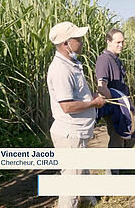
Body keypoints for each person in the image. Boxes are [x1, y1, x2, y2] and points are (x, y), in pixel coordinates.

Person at [47, 21, 105, 208]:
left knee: (81, 170)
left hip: (78, 132)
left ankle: (89, 201)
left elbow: (76, 95)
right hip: (70, 133)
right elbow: (67, 106)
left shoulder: (72, 63)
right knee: (71, 183)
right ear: (65, 43)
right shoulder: (60, 69)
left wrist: (91, 97)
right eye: (78, 39)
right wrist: (93, 103)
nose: (82, 42)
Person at [95, 29, 135, 174]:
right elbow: (102, 87)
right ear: (108, 42)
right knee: (118, 138)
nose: (121, 45)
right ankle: (112, 174)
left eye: (123, 42)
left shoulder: (116, 59)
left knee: (129, 137)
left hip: (122, 105)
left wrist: (128, 104)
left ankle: (119, 166)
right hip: (113, 107)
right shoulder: (104, 60)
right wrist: (120, 104)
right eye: (118, 42)